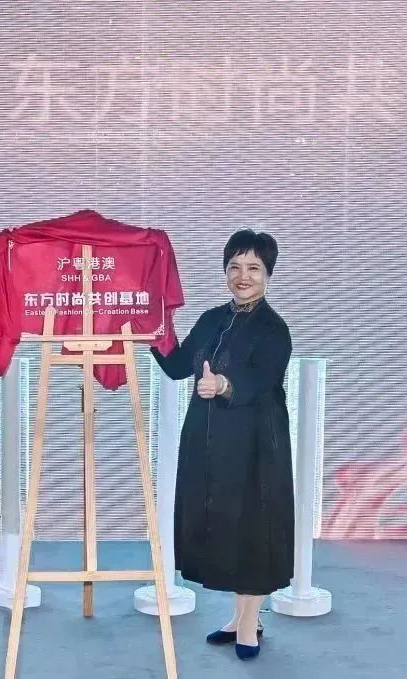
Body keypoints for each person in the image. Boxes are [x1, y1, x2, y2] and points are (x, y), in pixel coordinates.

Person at [151, 229, 294, 661]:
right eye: (234, 266)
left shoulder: (274, 329)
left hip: (256, 444)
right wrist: (149, 330)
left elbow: (260, 379)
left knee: (253, 528)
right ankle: (238, 617)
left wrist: (224, 385)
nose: (242, 276)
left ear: (268, 274)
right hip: (210, 441)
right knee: (228, 527)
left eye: (253, 268)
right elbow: (178, 366)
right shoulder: (212, 318)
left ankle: (249, 623)